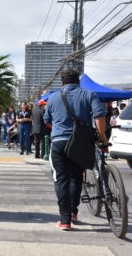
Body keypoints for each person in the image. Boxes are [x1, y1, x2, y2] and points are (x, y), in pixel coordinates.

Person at [44, 69, 107, 231]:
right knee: (76, 177)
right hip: (81, 143)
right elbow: (99, 116)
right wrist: (102, 138)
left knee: (61, 179)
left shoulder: (52, 97)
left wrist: (60, 127)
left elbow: (48, 121)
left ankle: (65, 220)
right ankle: (73, 212)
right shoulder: (89, 94)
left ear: (62, 82)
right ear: (78, 81)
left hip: (59, 142)